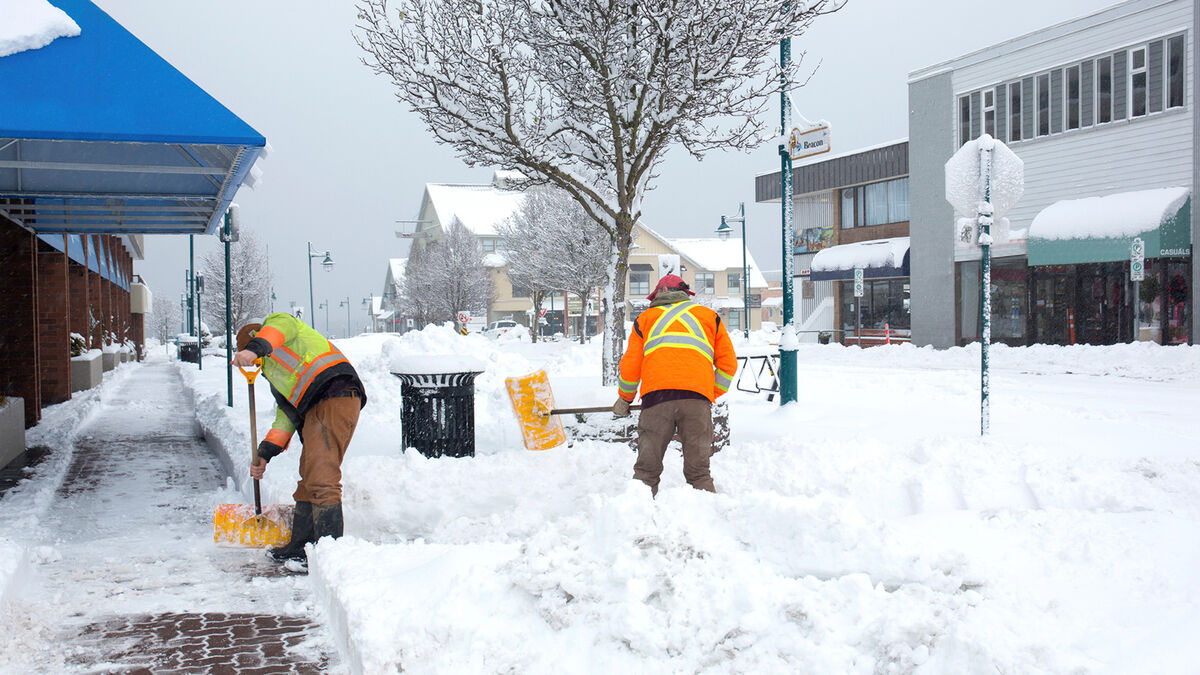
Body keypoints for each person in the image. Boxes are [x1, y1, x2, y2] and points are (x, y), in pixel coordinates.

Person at [231, 313, 367, 566]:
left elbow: (276, 331)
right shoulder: (273, 370)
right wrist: (265, 453)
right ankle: (301, 545)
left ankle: (331, 556)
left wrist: (253, 350)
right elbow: (286, 415)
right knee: (308, 476)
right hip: (315, 404)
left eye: (255, 353)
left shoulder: (280, 323)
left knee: (322, 475)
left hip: (336, 392)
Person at [613, 274, 737, 496]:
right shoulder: (709, 317)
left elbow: (631, 366)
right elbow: (728, 365)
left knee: (646, 472)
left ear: (661, 293)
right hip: (696, 401)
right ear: (684, 293)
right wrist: (707, 394)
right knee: (699, 472)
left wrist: (625, 398)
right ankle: (707, 518)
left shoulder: (645, 319)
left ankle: (637, 518)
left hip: (656, 400)